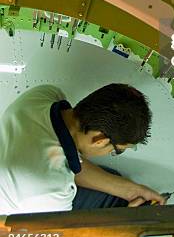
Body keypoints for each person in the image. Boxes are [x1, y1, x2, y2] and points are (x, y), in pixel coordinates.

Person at [0, 83, 165, 217]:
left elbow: (69, 163)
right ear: (99, 141)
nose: (110, 154)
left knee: (114, 179)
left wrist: (132, 190)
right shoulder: (52, 187)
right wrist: (124, 219)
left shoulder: (43, 95)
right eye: (116, 150)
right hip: (13, 220)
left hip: (19, 174)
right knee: (115, 206)